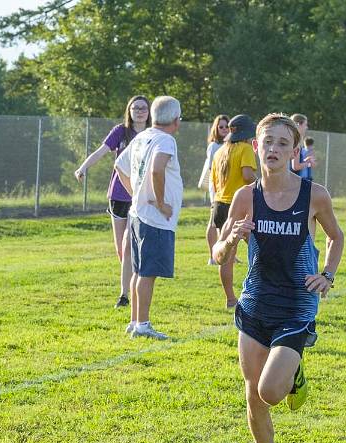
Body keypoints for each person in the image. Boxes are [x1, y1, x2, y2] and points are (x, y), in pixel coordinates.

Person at [213, 113, 343, 443]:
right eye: (267, 142)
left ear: (294, 151)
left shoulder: (314, 195)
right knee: (253, 396)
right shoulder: (245, 197)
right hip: (254, 304)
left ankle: (294, 373)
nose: (273, 149)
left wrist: (327, 275)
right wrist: (232, 238)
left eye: (282, 144)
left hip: (296, 306)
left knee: (271, 391)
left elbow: (336, 237)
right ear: (256, 147)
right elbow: (218, 254)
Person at [114, 96, 183, 340]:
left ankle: (135, 321)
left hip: (137, 213)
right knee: (147, 273)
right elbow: (156, 169)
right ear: (176, 120)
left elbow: (120, 166)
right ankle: (142, 324)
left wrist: (136, 194)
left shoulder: (143, 136)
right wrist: (162, 203)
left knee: (139, 271)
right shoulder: (166, 140)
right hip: (153, 218)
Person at [74, 95, 151, 308]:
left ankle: (125, 295)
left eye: (143, 108)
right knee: (121, 248)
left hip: (140, 195)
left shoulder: (154, 134)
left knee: (128, 245)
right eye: (135, 108)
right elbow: (101, 152)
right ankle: (132, 280)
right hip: (118, 195)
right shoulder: (120, 131)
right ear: (129, 110)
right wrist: (82, 168)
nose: (139, 111)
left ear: (149, 112)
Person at [210, 114, 258, 308]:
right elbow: (247, 175)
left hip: (219, 205)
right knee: (260, 250)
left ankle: (230, 299)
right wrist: (264, 185)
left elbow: (213, 181)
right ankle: (260, 292)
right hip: (238, 206)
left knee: (227, 255)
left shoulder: (220, 151)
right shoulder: (245, 148)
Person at [199, 114, 230, 265]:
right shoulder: (214, 146)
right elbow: (213, 169)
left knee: (225, 223)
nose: (224, 129)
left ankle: (226, 254)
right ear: (216, 129)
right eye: (221, 126)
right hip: (217, 189)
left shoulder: (231, 144)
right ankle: (212, 255)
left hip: (228, 189)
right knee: (213, 222)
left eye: (226, 126)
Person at [290, 114, 316, 181]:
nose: (306, 127)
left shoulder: (292, 139)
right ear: (298, 124)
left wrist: (305, 161)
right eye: (305, 124)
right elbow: (295, 166)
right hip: (293, 182)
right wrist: (308, 163)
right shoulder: (296, 141)